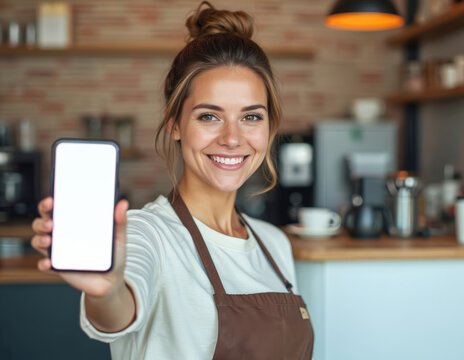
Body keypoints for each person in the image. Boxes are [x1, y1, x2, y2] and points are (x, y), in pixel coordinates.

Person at [30, 2, 314, 359]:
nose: (232, 137)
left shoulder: (275, 244)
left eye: (251, 117)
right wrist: (108, 291)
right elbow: (118, 310)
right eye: (209, 116)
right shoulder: (146, 234)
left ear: (270, 126)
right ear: (175, 124)